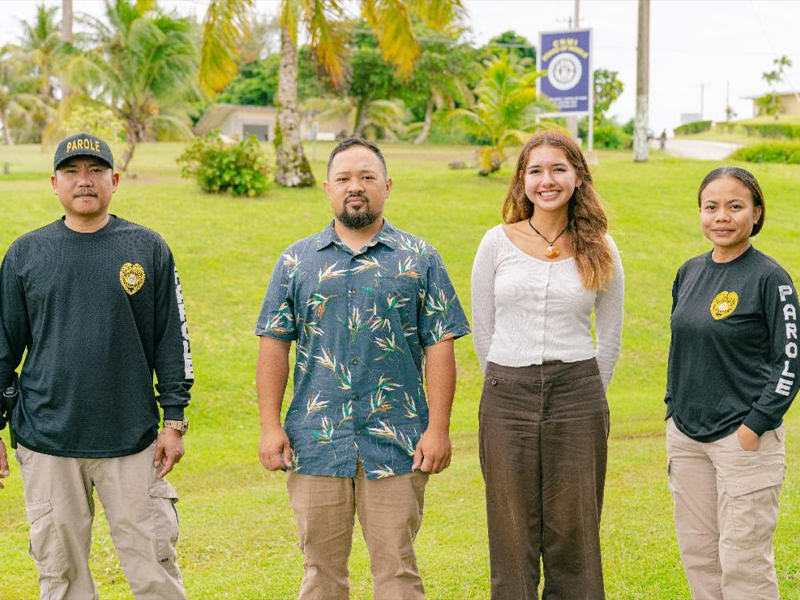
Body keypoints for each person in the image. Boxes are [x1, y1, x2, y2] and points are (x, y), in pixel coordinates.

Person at [255, 137, 470, 600]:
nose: (357, 187)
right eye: (345, 179)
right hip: (316, 441)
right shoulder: (296, 261)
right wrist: (270, 426)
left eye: (368, 177)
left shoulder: (420, 258)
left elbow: (441, 345)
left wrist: (439, 429)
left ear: (387, 186)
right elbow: (274, 344)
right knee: (321, 573)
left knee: (397, 571)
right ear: (328, 189)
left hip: (397, 441)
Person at [0, 132, 193, 600]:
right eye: (71, 172)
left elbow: (172, 339)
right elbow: (3, 348)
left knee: (154, 569)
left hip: (132, 439)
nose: (83, 181)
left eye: (95, 171)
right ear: (54, 182)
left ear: (115, 179)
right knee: (61, 576)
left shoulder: (148, 248)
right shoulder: (27, 254)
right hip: (48, 441)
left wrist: (175, 420)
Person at [471, 129, 624, 600]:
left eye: (558, 169)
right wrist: (507, 381)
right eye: (535, 170)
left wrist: (583, 392)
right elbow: (484, 328)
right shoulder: (496, 243)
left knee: (574, 529)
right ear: (522, 180)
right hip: (506, 394)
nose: (547, 180)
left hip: (578, 394)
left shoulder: (602, 246)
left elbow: (611, 336)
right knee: (511, 528)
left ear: (578, 176)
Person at [665, 166, 798, 600]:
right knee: (700, 556)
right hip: (687, 438)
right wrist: (673, 409)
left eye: (735, 206)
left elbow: (791, 360)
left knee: (743, 561)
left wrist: (756, 424)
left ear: (756, 214)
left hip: (743, 440)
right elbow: (682, 347)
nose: (721, 216)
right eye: (711, 207)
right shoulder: (688, 272)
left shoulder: (770, 278)